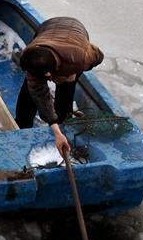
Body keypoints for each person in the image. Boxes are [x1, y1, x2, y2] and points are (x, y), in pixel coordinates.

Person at [14, 17, 105, 156]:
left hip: (75, 33)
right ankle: (23, 126)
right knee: (29, 93)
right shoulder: (31, 56)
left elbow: (99, 56)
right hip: (48, 28)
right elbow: (40, 94)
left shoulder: (82, 58)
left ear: (50, 73)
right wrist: (52, 123)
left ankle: (64, 126)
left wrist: (70, 74)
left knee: (66, 89)